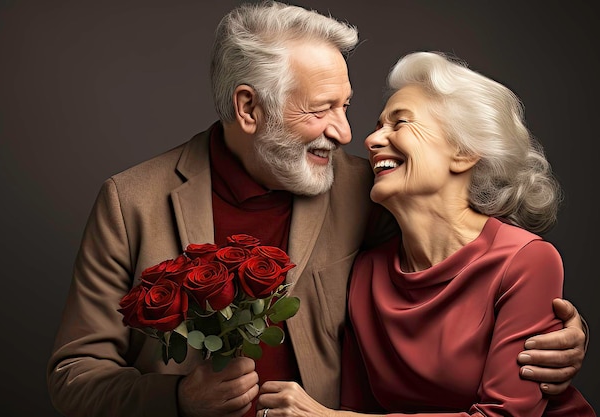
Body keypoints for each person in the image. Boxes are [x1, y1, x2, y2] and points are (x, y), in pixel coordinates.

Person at [46, 3, 588, 417]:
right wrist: (181, 399)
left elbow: (464, 257)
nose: (348, 133)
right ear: (249, 108)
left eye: (346, 105)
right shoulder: (129, 202)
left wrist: (553, 334)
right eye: (321, 108)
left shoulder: (366, 192)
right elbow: (74, 377)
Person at [255, 51, 595, 416]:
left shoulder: (525, 261)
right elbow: (357, 406)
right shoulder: (368, 271)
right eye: (378, 125)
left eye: (399, 123)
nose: (370, 140)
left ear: (463, 153)